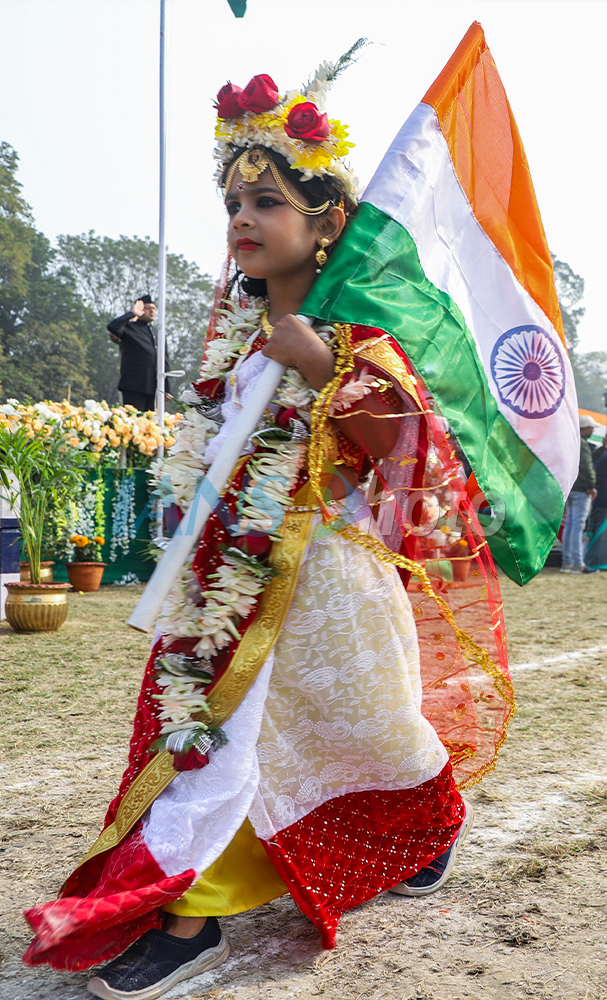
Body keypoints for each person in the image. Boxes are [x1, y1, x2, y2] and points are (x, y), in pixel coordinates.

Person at [23, 60, 512, 1000]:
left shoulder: (360, 343)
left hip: (328, 589)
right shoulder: (240, 348)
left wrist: (326, 369)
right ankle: (190, 911)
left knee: (373, 737)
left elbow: (420, 463)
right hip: (228, 590)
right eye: (233, 204)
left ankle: (413, 832)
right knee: (209, 741)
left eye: (267, 201)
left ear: (327, 224)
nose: (241, 218)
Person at [107, 295, 170, 411]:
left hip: (153, 386)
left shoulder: (158, 333)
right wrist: (132, 313)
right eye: (148, 308)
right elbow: (112, 327)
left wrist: (167, 387)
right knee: (134, 418)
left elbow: (164, 360)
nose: (152, 311)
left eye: (154, 308)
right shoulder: (130, 328)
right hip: (133, 385)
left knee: (151, 420)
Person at [561, 414, 597, 574]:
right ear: (585, 428)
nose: (593, 430)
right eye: (591, 428)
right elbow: (586, 466)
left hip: (571, 488)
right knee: (577, 526)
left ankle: (567, 562)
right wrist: (591, 486)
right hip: (582, 490)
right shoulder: (582, 444)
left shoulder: (571, 441)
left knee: (570, 526)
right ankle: (578, 564)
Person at [584, 431, 607, 572]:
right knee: (600, 532)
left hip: (599, 499)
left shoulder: (600, 455)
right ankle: (595, 562)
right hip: (603, 499)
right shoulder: (603, 456)